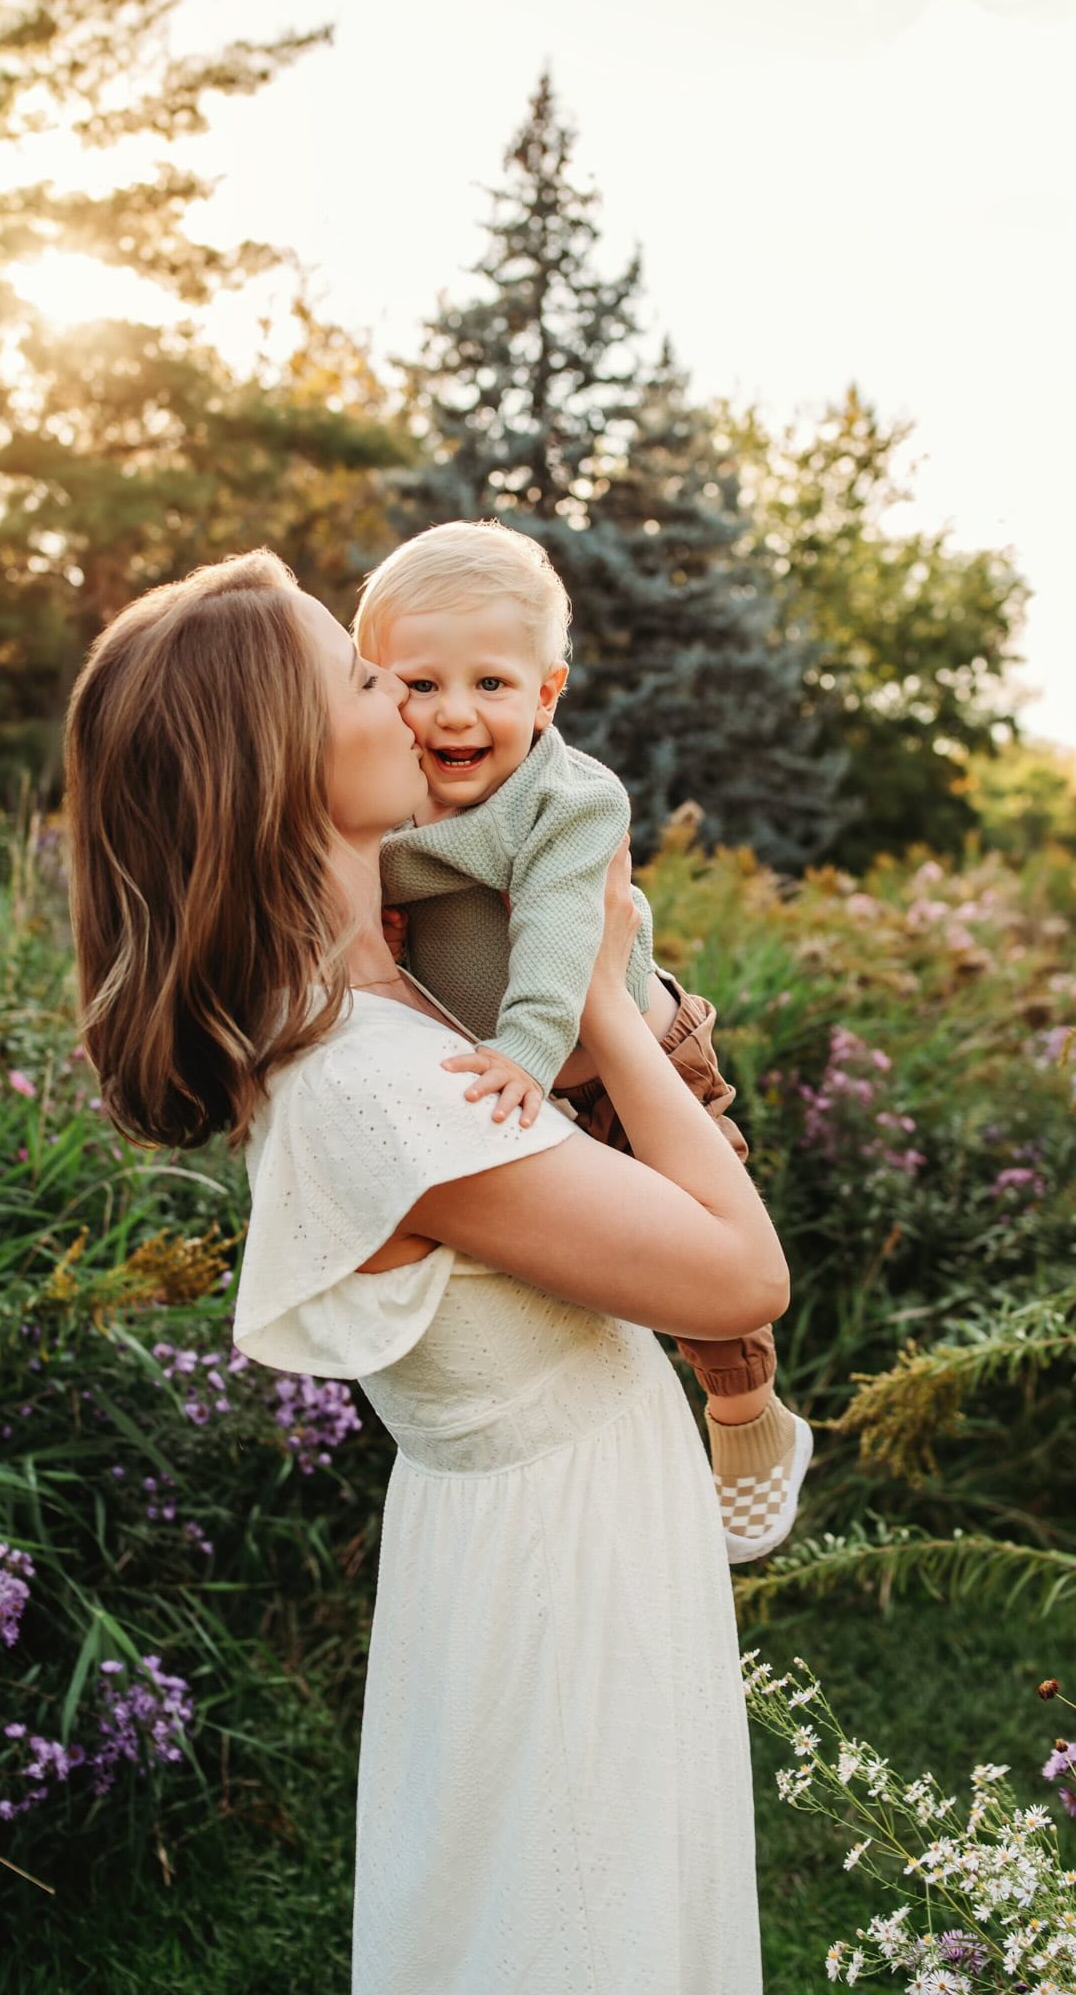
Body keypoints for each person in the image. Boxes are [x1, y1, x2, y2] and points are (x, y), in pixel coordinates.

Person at [65, 547, 787, 1994]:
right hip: (557, 1573)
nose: (410, 701)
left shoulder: (384, 997)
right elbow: (737, 1278)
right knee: (581, 1928)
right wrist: (601, 999)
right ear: (283, 761)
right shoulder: (380, 1083)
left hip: (565, 1528)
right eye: (363, 676)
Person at [353, 519, 811, 1563]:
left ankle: (748, 1417)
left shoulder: (569, 799)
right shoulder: (389, 804)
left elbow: (564, 932)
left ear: (546, 695)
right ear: (377, 691)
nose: (455, 711)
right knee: (597, 1262)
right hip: (517, 1069)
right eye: (420, 684)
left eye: (492, 684)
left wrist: (524, 1049)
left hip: (630, 1054)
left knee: (702, 1262)